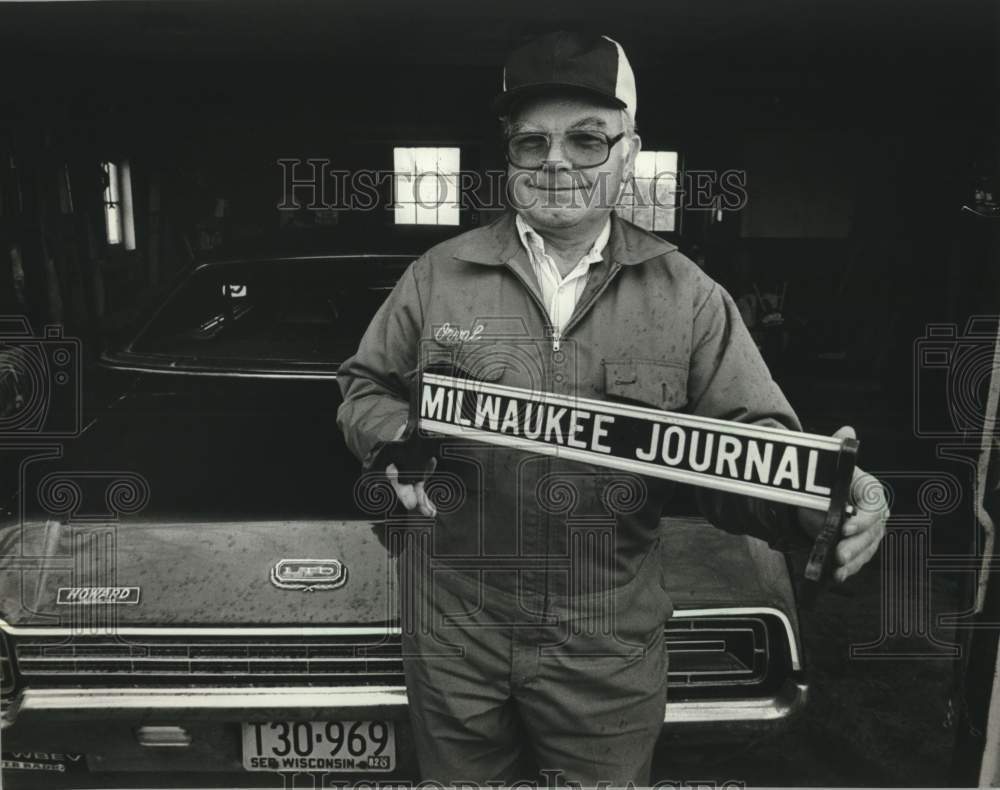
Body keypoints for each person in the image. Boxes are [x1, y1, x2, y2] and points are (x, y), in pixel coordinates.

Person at [336, 31, 889, 787]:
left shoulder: (688, 296)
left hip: (605, 639)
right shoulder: (438, 275)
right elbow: (365, 386)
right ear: (509, 155)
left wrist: (829, 497)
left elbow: (753, 448)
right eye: (532, 143)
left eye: (587, 140)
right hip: (455, 620)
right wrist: (394, 436)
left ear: (629, 152)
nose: (556, 162)